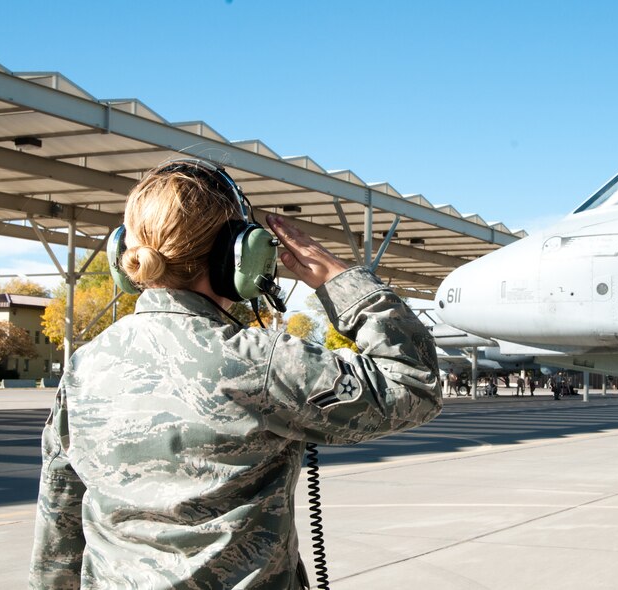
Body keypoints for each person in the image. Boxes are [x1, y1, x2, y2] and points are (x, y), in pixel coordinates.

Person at [29, 159, 442, 589]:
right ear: (241, 254)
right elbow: (413, 384)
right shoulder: (261, 361)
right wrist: (342, 281)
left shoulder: (85, 366)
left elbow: (59, 525)